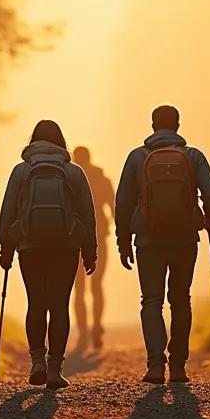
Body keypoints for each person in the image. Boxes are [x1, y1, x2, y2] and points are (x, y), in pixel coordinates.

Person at [115, 105, 210, 384]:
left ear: (152, 126)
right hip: (185, 238)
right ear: (177, 125)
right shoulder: (193, 156)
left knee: (151, 301)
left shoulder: (137, 157)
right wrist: (209, 218)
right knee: (180, 300)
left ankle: (155, 365)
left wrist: (123, 241)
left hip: (148, 240)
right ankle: (178, 366)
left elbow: (124, 203)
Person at [0, 120, 98, 389]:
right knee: (59, 306)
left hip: (29, 246)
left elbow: (8, 211)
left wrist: (6, 248)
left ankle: (37, 363)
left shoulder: (21, 171)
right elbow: (88, 213)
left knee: (36, 303)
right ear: (61, 142)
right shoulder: (74, 172)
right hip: (65, 247)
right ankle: (55, 369)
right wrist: (90, 250)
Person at [71, 145, 115, 352]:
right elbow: (115, 209)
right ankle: (96, 327)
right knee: (97, 285)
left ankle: (83, 332)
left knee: (78, 288)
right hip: (99, 236)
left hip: (73, 239)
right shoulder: (102, 179)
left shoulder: (68, 178)